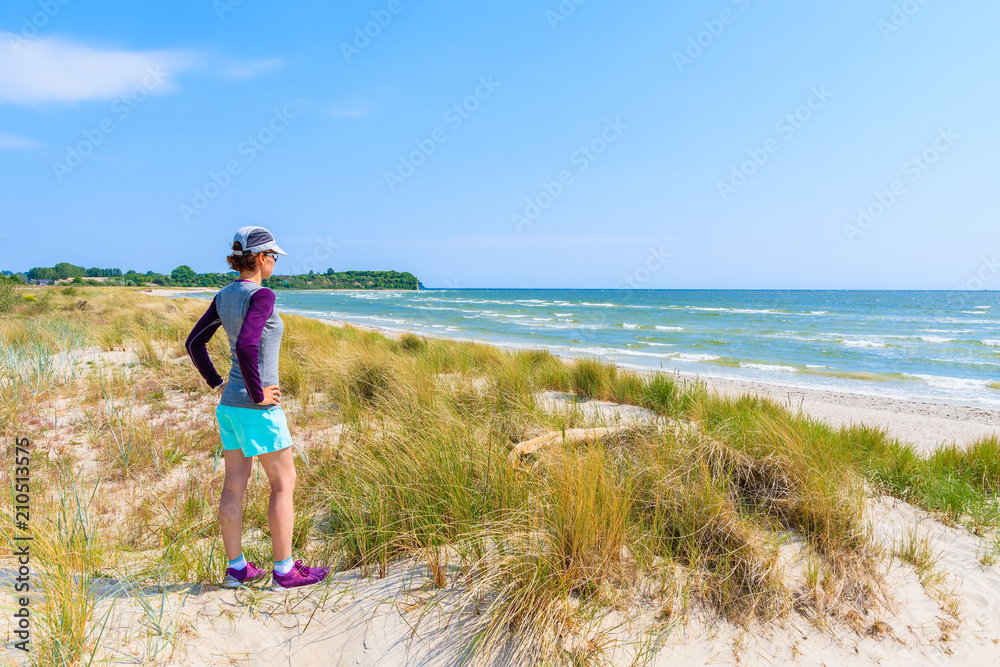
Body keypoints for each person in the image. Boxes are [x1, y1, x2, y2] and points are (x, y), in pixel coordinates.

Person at [184, 226, 329, 591]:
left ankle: (237, 569)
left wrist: (217, 382)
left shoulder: (224, 296)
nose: (275, 263)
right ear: (261, 258)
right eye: (274, 257)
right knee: (284, 484)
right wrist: (258, 394)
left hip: (229, 406)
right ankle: (284, 571)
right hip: (255, 408)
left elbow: (194, 342)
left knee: (234, 487)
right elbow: (248, 346)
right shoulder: (262, 295)